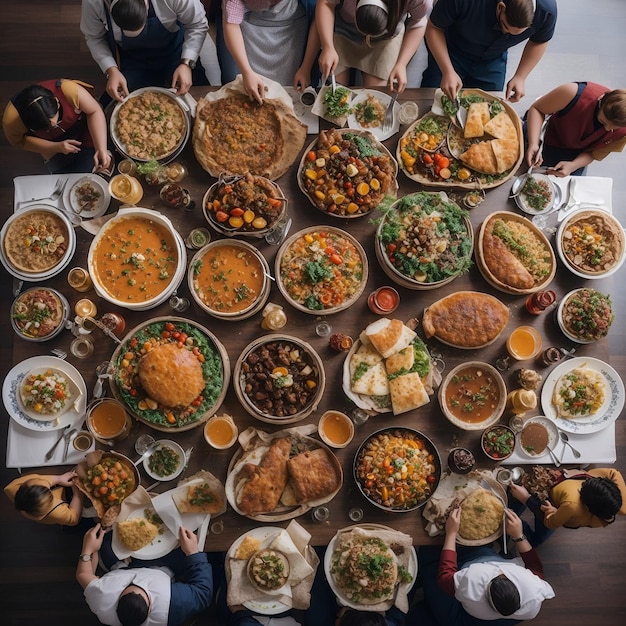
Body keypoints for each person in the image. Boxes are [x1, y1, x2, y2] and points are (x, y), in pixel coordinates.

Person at [410, 508, 554, 625]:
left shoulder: (472, 589)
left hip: (458, 617)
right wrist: (518, 535)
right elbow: (535, 566)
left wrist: (451, 533)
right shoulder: (533, 588)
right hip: (502, 611)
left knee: (431, 562)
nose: (498, 570)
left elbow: (445, 577)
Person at [77, 522, 213, 626]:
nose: (137, 580)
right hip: (164, 567)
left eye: (130, 584)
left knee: (106, 541)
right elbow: (203, 594)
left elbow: (83, 574)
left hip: (124, 565)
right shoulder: (176, 602)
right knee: (187, 541)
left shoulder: (101, 599)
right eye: (141, 588)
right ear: (151, 607)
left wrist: (88, 549)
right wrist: (193, 552)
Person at [421, 0, 558, 102]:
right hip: (451, 50)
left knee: (489, 107)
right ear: (501, 7)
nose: (505, 33)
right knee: (433, 100)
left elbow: (539, 41)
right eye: (504, 25)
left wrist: (520, 76)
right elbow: (434, 28)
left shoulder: (547, 11)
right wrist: (447, 71)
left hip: (493, 58)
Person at [80, 0, 209, 103]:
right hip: (133, 60)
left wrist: (187, 63)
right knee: (113, 104)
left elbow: (197, 24)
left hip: (175, 53)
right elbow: (94, 37)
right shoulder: (94, 3)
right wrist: (111, 70)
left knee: (200, 98)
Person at [316, 0, 432, 93]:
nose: (367, 39)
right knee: (333, 93)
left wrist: (401, 64)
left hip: (386, 37)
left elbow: (418, 23)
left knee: (374, 95)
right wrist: (328, 46)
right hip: (344, 30)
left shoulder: (420, 1)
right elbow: (326, 3)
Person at [216, 0, 320, 103]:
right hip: (248, 28)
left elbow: (319, 18)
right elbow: (231, 23)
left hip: (294, 26)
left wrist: (306, 67)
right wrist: (246, 72)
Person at [2, 79, 112, 174]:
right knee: (67, 178)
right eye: (46, 128)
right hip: (50, 143)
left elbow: (94, 111)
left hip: (83, 125)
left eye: (57, 122)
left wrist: (100, 148)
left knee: (100, 163)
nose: (56, 127)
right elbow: (20, 141)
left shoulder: (69, 90)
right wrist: (56, 147)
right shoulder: (11, 120)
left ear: (57, 102)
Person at [525, 82, 626, 177]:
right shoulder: (572, 93)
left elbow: (593, 153)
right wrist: (533, 143)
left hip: (576, 154)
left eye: (615, 127)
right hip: (546, 133)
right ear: (601, 99)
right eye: (602, 122)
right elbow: (537, 109)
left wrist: (573, 165)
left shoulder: (623, 134)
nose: (607, 129)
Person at [509, 467, 626, 546]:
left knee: (538, 539)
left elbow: (550, 522)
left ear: (587, 506)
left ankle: (511, 523)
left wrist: (526, 499)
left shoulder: (571, 505)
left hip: (552, 504)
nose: (583, 482)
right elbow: (613, 472)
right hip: (561, 501)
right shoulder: (620, 503)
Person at [301, 546, 405, 626]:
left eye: (340, 619)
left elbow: (318, 582)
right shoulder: (394, 619)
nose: (338, 616)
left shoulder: (316, 620)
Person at [4, 470, 83, 526]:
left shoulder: (13, 487)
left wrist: (59, 479)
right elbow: (74, 519)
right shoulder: (54, 512)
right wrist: (77, 495)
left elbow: (44, 481)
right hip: (67, 498)